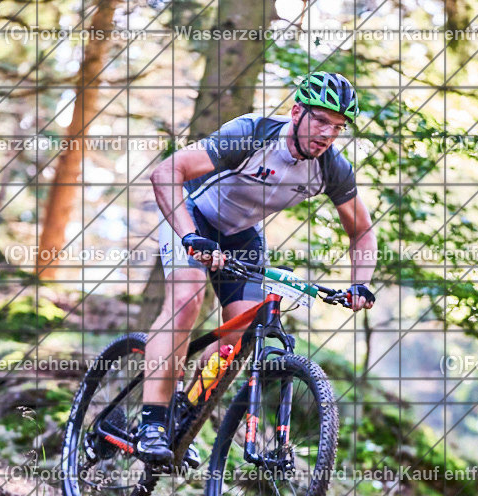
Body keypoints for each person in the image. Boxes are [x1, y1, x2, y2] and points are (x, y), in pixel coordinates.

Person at [139, 71, 377, 464]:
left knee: (239, 334)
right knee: (186, 301)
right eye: (320, 120)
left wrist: (360, 284)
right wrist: (189, 237)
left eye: (337, 128)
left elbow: (362, 231)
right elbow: (166, 173)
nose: (327, 134)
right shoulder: (252, 133)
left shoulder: (332, 168)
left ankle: (186, 409)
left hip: (242, 237)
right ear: (296, 112)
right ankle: (152, 420)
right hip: (194, 215)